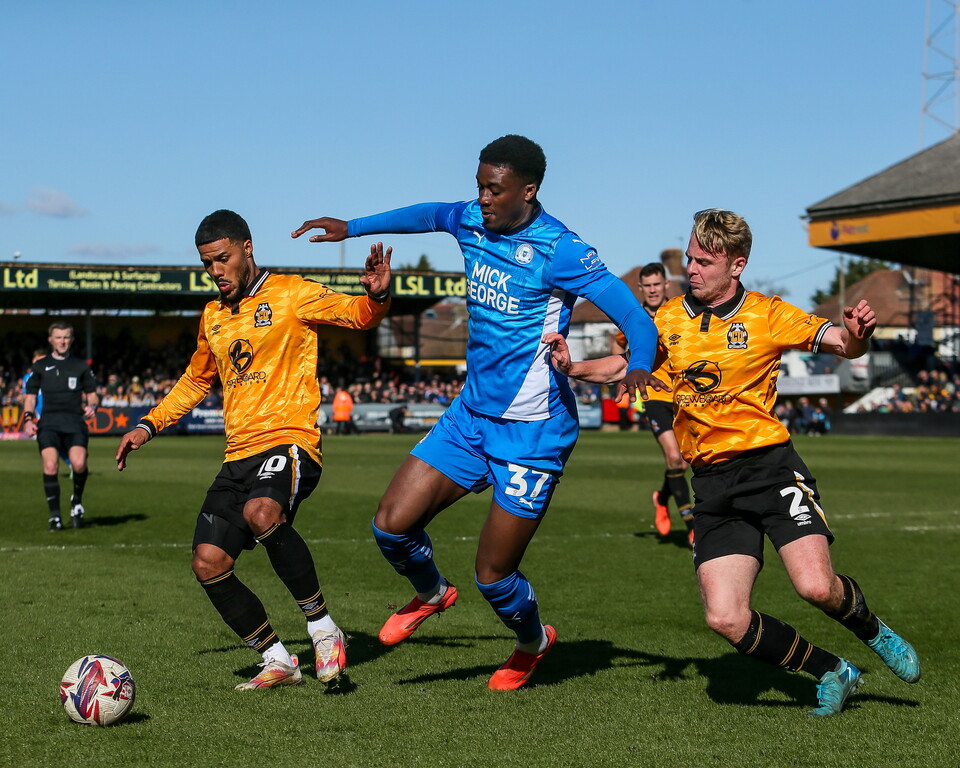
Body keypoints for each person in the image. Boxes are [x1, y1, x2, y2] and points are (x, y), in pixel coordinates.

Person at [291, 134, 663, 690]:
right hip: (470, 416)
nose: (483, 199)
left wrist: (640, 362)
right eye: (480, 187)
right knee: (391, 527)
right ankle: (432, 594)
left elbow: (634, 312)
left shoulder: (560, 248)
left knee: (493, 575)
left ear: (528, 190)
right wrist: (353, 226)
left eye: (495, 189)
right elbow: (429, 214)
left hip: (532, 432)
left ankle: (533, 643)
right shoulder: (471, 220)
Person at [546, 209, 921, 716]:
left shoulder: (768, 314)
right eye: (690, 259)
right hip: (714, 483)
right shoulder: (667, 319)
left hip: (769, 467)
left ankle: (872, 630)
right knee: (725, 617)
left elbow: (842, 343)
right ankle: (833, 670)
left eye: (704, 261)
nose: (691, 269)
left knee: (815, 587)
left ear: (737, 265)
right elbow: (624, 363)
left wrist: (858, 334)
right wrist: (573, 367)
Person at [116, 210, 391, 690]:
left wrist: (378, 294)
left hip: (290, 441)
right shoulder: (213, 316)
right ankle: (278, 659)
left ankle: (324, 630)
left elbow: (357, 315)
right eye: (207, 265)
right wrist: (147, 425)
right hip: (237, 455)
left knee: (264, 512)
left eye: (222, 259)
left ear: (247, 248)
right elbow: (195, 380)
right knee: (208, 562)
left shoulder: (290, 292)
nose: (216, 271)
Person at [621, 262, 694, 545]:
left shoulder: (678, 311)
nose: (652, 290)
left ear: (665, 285)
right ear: (641, 288)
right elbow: (620, 349)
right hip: (653, 397)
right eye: (647, 286)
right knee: (675, 458)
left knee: (684, 460)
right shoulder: (633, 318)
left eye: (656, 284)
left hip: (683, 397)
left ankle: (662, 498)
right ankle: (692, 525)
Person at [22, 324, 98, 531]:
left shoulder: (81, 366)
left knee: (79, 464)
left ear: (71, 339)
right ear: (50, 340)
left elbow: (92, 395)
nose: (62, 341)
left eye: (66, 337)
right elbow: (29, 398)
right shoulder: (40, 366)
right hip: (48, 424)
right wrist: (28, 419)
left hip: (74, 422)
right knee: (50, 466)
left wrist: (93, 406)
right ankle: (55, 517)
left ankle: (77, 503)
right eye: (58, 337)